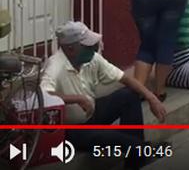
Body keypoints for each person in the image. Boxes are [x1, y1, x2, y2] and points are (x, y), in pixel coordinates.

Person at [41, 22, 167, 170]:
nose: (93, 49)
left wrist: (151, 98)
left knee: (129, 96)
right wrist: (76, 98)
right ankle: (141, 151)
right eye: (87, 46)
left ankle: (135, 158)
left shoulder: (92, 59)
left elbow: (125, 79)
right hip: (72, 130)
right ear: (70, 49)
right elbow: (43, 96)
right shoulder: (55, 66)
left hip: (92, 114)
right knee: (121, 141)